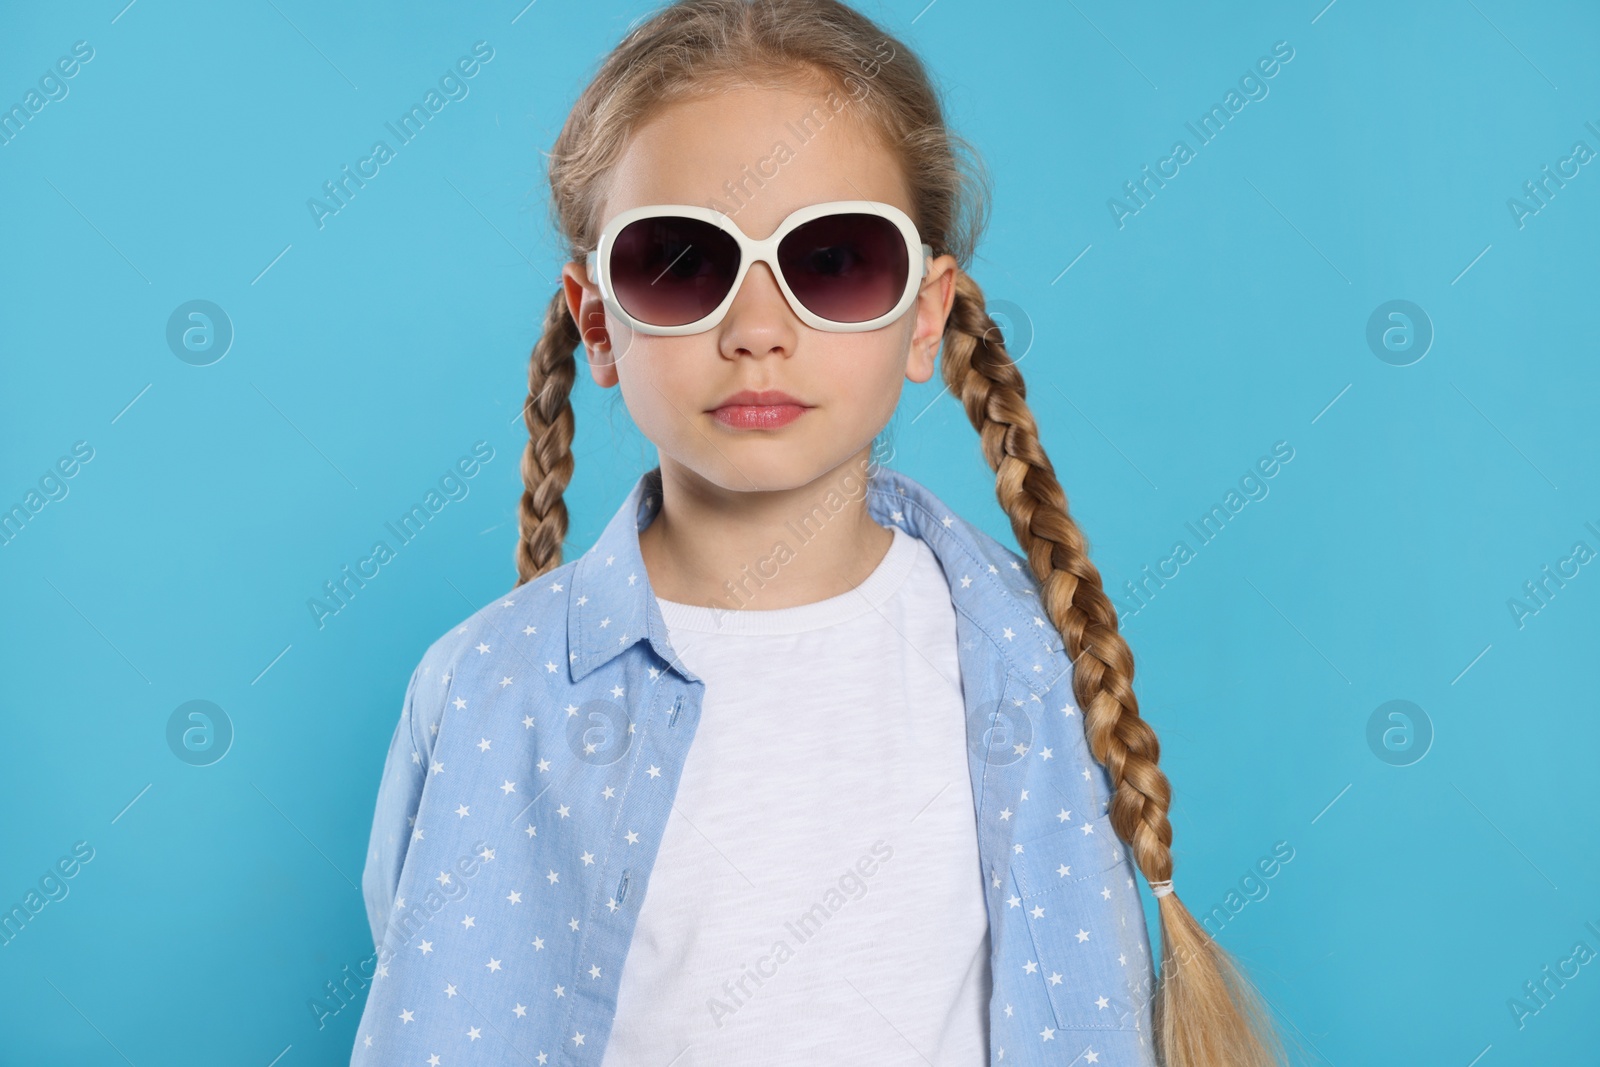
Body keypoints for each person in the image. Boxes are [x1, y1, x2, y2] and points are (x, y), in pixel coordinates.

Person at [354, 2, 1288, 1064]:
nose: (758, 328)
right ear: (599, 317)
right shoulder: (483, 689)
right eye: (682, 262)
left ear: (924, 316)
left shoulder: (1030, 664)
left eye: (836, 259)